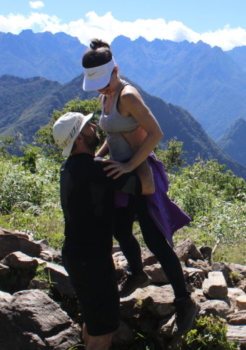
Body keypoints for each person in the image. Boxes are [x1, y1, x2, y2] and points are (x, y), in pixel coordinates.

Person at [82, 39, 198, 338]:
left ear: (115, 70)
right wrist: (98, 156)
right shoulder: (105, 97)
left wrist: (129, 165)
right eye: (95, 84)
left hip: (141, 176)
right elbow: (112, 133)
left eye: (104, 82)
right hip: (123, 177)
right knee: (120, 230)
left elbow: (156, 133)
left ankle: (185, 301)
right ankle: (137, 274)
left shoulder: (128, 95)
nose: (100, 89)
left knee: (156, 242)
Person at [53, 112, 148, 350]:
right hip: (92, 260)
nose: (93, 126)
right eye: (86, 126)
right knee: (103, 331)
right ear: (78, 140)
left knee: (92, 318)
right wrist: (139, 150)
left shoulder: (68, 167)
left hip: (76, 255)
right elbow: (147, 187)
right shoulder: (99, 170)